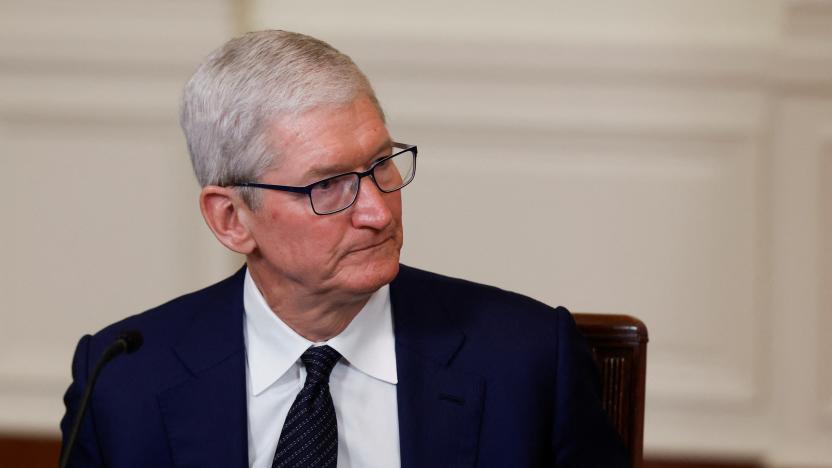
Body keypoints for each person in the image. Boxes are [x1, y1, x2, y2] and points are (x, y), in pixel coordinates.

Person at [60, 30, 628, 468]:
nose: (379, 212)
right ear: (231, 219)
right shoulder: (123, 380)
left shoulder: (525, 360)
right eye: (327, 185)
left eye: (381, 165)